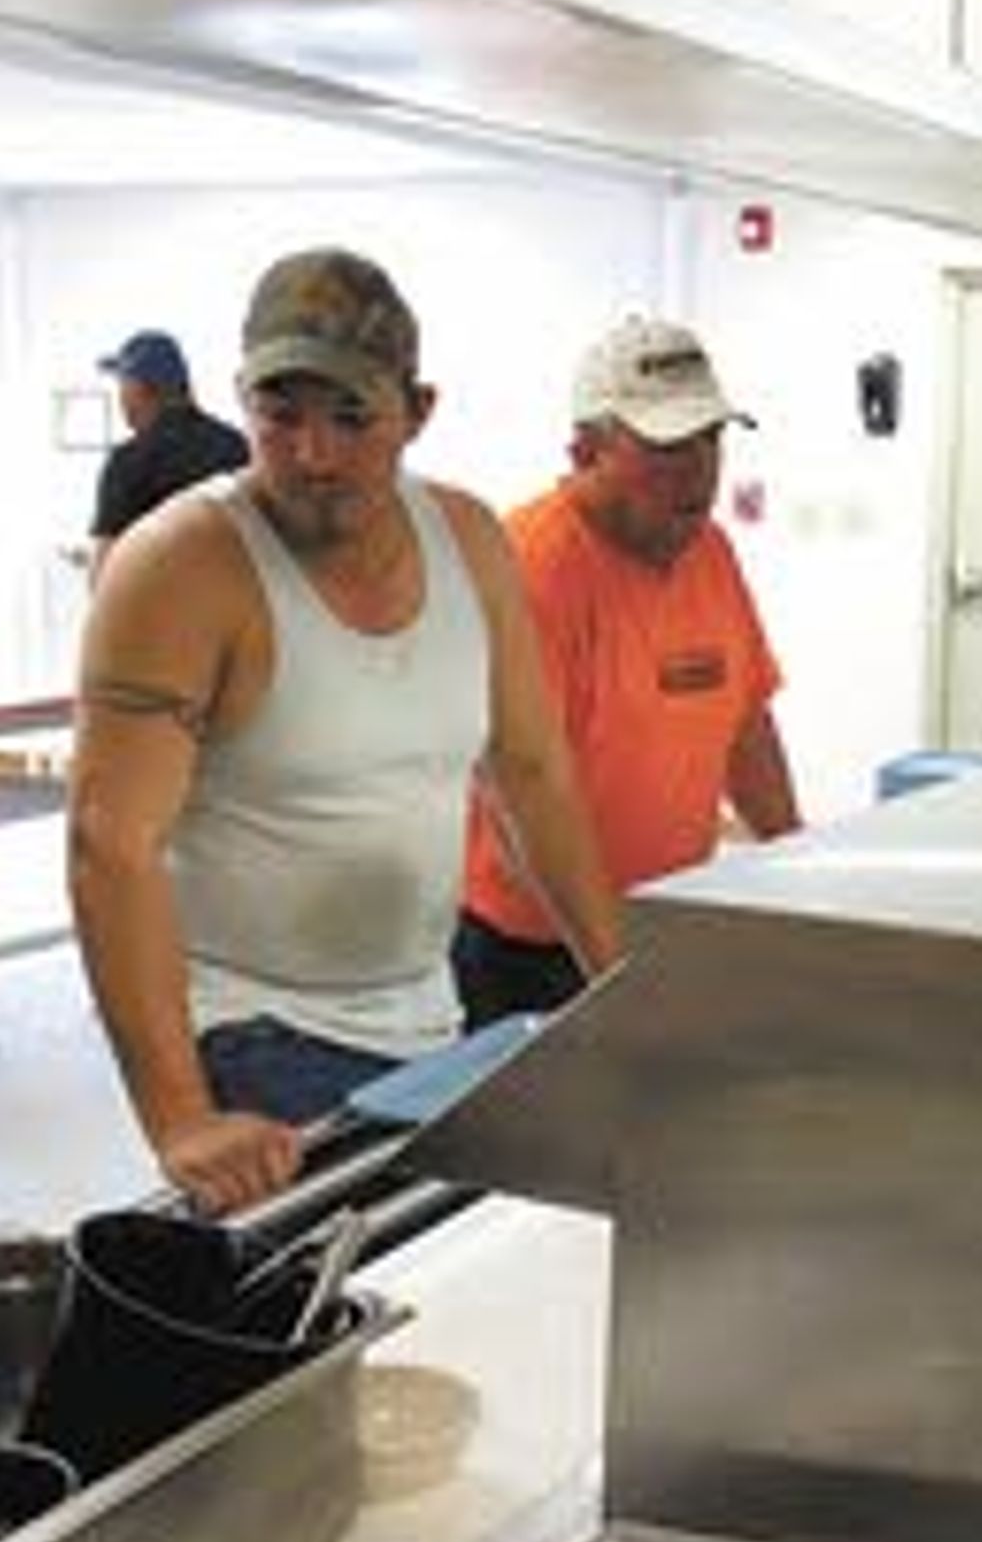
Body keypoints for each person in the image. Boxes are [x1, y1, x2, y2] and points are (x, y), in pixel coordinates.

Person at [71, 245, 621, 1212]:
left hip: (428, 1005)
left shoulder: (470, 542)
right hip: (254, 1022)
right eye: (280, 416)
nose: (312, 456)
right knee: (390, 1288)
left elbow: (531, 770)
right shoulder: (181, 568)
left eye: (351, 417)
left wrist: (620, 979)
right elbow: (111, 844)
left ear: (419, 409)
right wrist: (180, 1117)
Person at [453, 313, 797, 1024]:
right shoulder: (530, 567)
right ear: (585, 450)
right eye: (667, 445)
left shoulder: (711, 552)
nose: (699, 468)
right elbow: (521, 788)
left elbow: (744, 724)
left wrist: (797, 869)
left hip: (665, 920)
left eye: (710, 438)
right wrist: (613, 971)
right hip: (534, 950)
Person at [87, 328, 250, 563]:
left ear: (139, 388)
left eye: (122, 384)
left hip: (158, 597)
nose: (120, 397)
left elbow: (103, 574)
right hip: (237, 595)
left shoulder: (128, 462)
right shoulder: (238, 447)